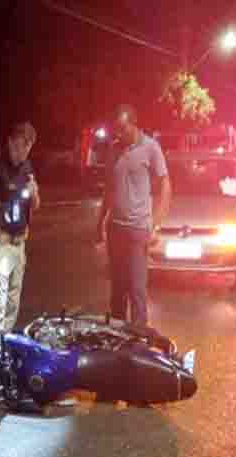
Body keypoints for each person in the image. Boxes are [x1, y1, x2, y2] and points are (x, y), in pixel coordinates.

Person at [95, 104, 171, 327]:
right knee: (117, 288)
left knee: (136, 288)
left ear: (134, 124)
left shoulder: (151, 148)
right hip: (115, 228)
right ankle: (117, 338)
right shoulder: (113, 150)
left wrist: (156, 225)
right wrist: (99, 222)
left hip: (138, 230)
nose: (119, 134)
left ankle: (139, 341)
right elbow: (108, 189)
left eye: (123, 128)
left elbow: (166, 185)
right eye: (116, 129)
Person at [0, 121, 41, 333]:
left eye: (26, 148)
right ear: (9, 142)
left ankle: (2, 343)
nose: (21, 153)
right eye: (17, 147)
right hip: (2, 242)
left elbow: (36, 205)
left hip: (20, 245)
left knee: (13, 302)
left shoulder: (27, 168)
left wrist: (34, 192)